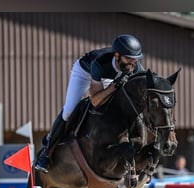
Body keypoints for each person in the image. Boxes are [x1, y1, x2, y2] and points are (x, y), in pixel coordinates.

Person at [35, 34, 145, 173]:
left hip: (110, 78)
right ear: (117, 56)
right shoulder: (100, 63)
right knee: (69, 111)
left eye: (135, 59)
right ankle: (46, 152)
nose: (132, 63)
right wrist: (114, 86)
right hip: (85, 72)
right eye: (128, 59)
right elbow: (95, 100)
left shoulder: (136, 68)